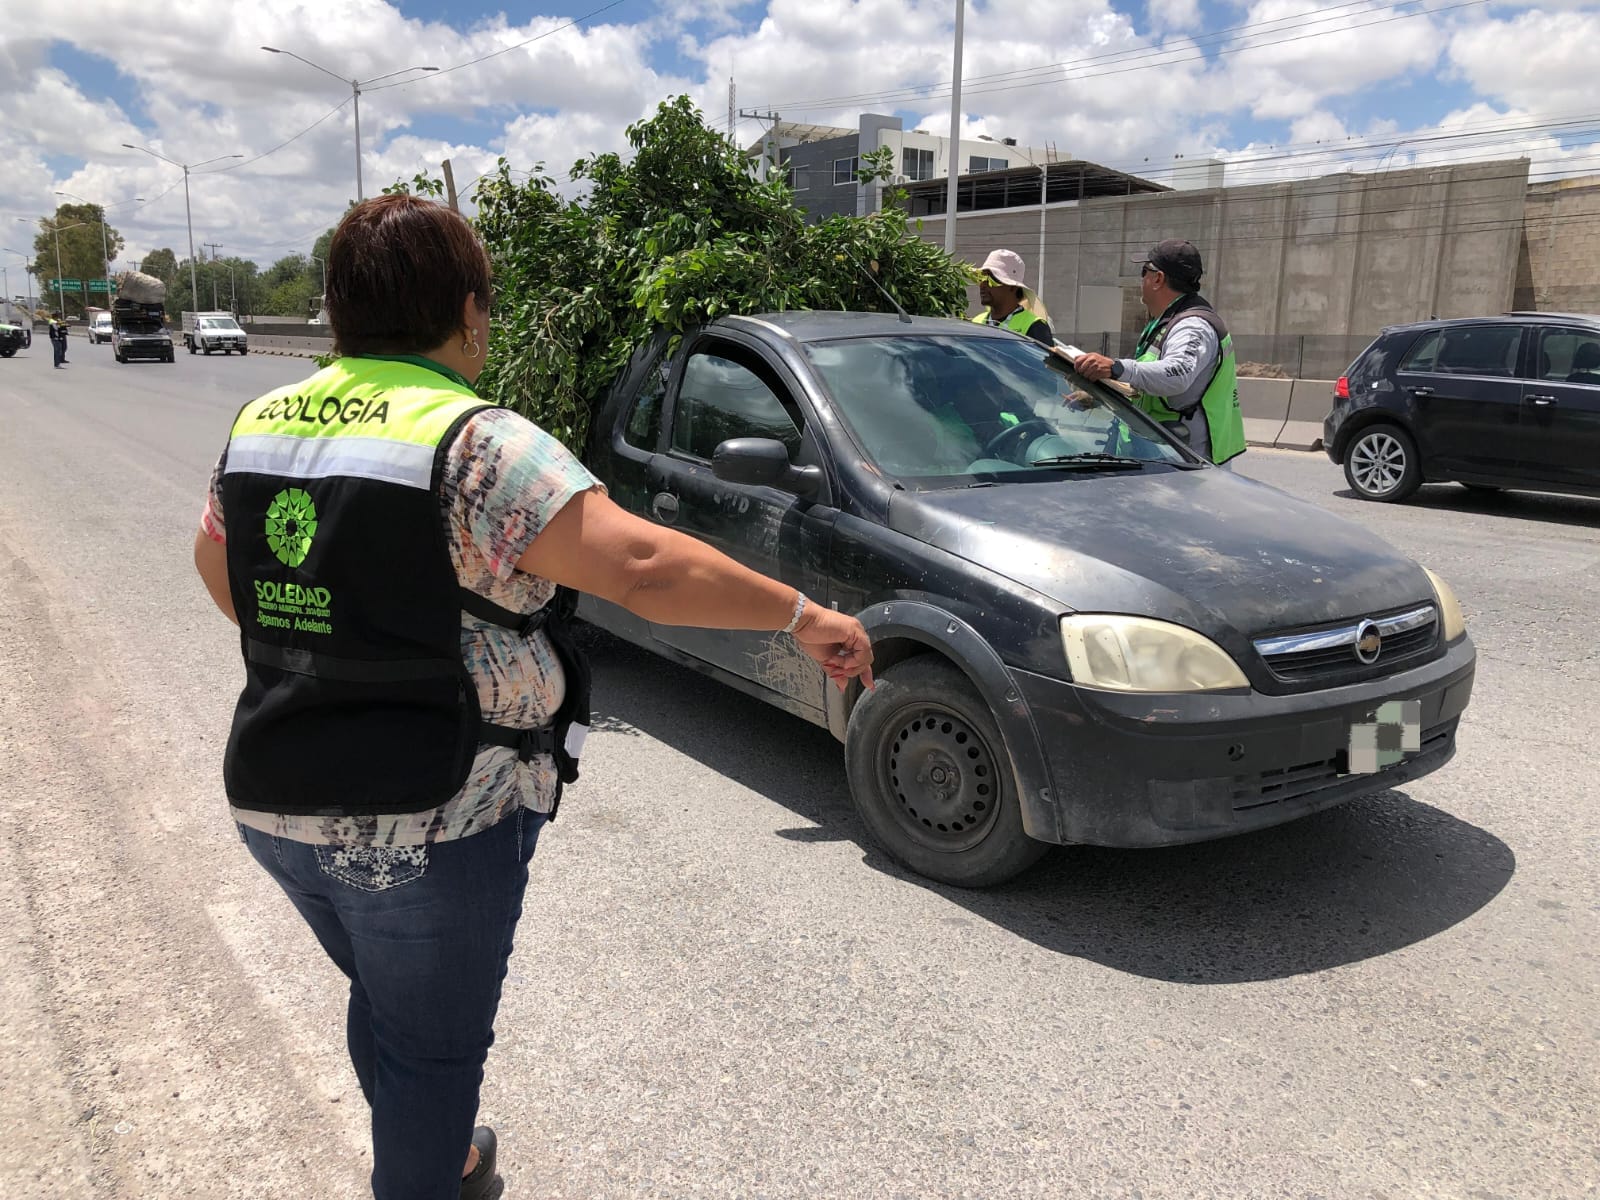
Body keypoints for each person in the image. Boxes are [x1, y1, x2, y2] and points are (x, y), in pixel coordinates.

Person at [190, 194, 875, 1200]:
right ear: (469, 313)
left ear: (336, 309)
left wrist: (341, 637)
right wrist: (799, 615)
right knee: (429, 1052)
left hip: (275, 792)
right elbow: (638, 566)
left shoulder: (261, 421)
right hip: (432, 812)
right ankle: (425, 1163)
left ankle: (441, 1153)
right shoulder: (472, 442)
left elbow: (223, 578)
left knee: (387, 1003)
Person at [1070, 239, 1246, 467]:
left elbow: (1178, 375)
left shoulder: (1192, 326)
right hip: (1162, 456)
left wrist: (1115, 368)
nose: (1141, 280)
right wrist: (1103, 394)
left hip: (1185, 465)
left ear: (1158, 279)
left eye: (1144, 272)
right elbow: (1148, 382)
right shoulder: (1166, 321)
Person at [971, 249, 1053, 346]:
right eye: (982, 278)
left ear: (1012, 287)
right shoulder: (976, 322)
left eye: (991, 279)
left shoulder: (1035, 327)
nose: (982, 285)